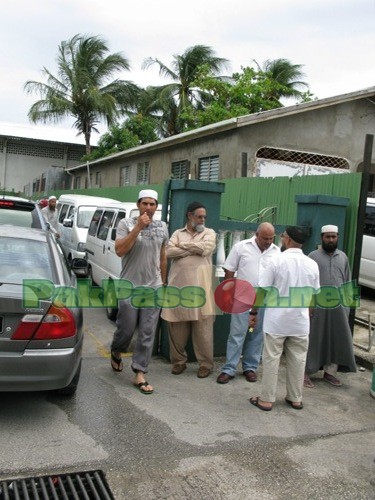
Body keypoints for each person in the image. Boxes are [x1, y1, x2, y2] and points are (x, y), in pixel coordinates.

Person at [250, 226, 320, 411]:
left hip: (277, 321)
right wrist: (308, 314)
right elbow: (314, 296)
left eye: (282, 236)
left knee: (272, 359)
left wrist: (253, 313)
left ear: (287, 239)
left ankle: (266, 400)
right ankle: (295, 398)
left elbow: (263, 291)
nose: (281, 239)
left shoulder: (276, 261)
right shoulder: (311, 263)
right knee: (298, 359)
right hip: (300, 322)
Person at [110, 189, 168, 394]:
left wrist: (164, 282)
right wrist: (138, 228)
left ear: (156, 207)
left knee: (147, 331)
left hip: (153, 286)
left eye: (152, 204)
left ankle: (139, 372)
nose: (149, 207)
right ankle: (116, 350)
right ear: (138, 205)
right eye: (145, 203)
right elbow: (119, 250)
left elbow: (162, 256)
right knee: (126, 328)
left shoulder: (163, 227)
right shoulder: (125, 224)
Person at [217, 223, 280, 384]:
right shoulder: (241, 247)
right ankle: (229, 369)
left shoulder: (276, 251)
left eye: (271, 238)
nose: (268, 241)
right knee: (237, 334)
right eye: (265, 238)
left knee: (257, 334)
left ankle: (250, 367)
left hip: (264, 298)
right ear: (257, 234)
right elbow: (229, 270)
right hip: (242, 297)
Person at [161, 201, 217, 378]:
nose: (202, 220)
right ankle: (178, 362)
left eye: (204, 217)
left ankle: (205, 365)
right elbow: (168, 252)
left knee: (204, 331)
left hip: (202, 289)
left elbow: (206, 248)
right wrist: (193, 249)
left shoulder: (209, 233)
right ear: (189, 216)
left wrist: (182, 247)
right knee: (176, 328)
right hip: (178, 288)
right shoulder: (178, 233)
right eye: (199, 216)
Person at [304, 225, 357, 388]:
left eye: (334, 237)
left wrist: (348, 306)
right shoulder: (312, 256)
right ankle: (306, 372)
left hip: (338, 308)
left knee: (335, 339)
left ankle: (330, 372)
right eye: (328, 237)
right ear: (322, 237)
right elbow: (306, 282)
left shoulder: (343, 257)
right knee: (314, 337)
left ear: (338, 237)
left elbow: (347, 282)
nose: (331, 240)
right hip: (318, 306)